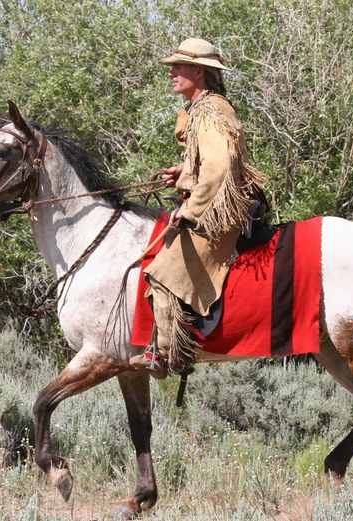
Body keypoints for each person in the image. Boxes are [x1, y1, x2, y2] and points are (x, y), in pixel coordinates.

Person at [129, 37, 267, 378]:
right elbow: (210, 162)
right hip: (214, 203)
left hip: (217, 213)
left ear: (199, 71)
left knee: (162, 274)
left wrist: (190, 210)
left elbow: (219, 170)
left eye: (178, 66)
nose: (171, 72)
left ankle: (165, 354)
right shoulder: (205, 107)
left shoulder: (208, 111)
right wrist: (183, 172)